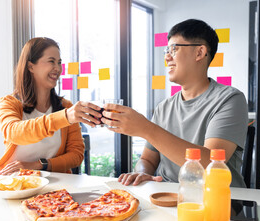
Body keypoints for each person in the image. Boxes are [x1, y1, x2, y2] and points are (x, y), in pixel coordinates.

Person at [101, 19, 248, 188]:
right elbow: (147, 159)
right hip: (167, 197)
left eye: (173, 49)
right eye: (166, 50)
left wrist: (145, 128)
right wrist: (143, 172)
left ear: (199, 52)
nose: (167, 56)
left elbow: (210, 166)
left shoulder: (230, 99)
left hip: (216, 200)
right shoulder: (164, 106)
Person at [0, 37, 102, 175]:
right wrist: (65, 117)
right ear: (31, 66)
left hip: (55, 187)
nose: (57, 68)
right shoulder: (9, 103)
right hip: (15, 183)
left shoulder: (65, 107)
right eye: (51, 61)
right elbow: (14, 133)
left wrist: (38, 165)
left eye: (59, 62)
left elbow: (76, 155)